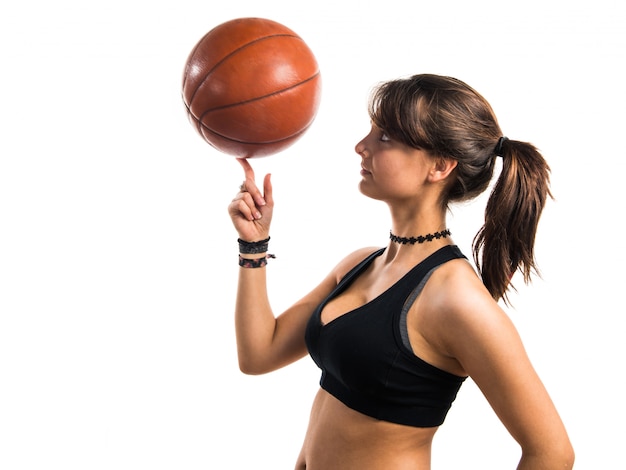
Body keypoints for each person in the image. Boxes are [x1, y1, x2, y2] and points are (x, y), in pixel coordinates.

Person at [227, 73, 574, 469]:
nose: (361, 147)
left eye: (385, 137)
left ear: (440, 166)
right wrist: (253, 245)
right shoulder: (359, 265)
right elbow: (259, 354)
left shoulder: (456, 299)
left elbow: (552, 452)